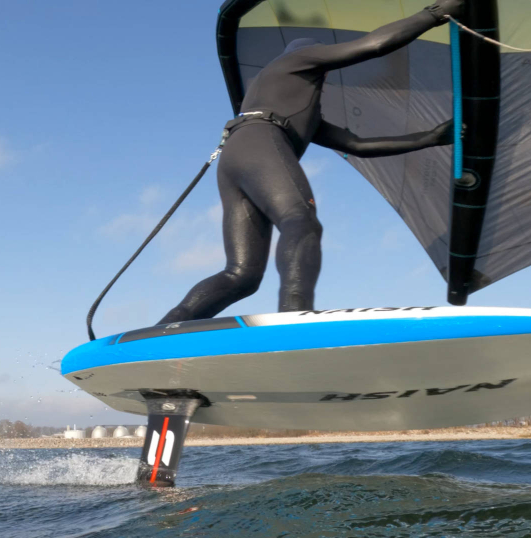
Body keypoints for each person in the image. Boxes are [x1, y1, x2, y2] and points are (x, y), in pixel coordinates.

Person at [158, 2, 464, 324]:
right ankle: (294, 316)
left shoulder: (291, 101)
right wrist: (436, 13)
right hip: (261, 141)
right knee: (300, 221)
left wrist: (430, 137)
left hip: (237, 153)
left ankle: (165, 330)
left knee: (242, 274)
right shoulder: (296, 60)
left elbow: (357, 146)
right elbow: (375, 45)